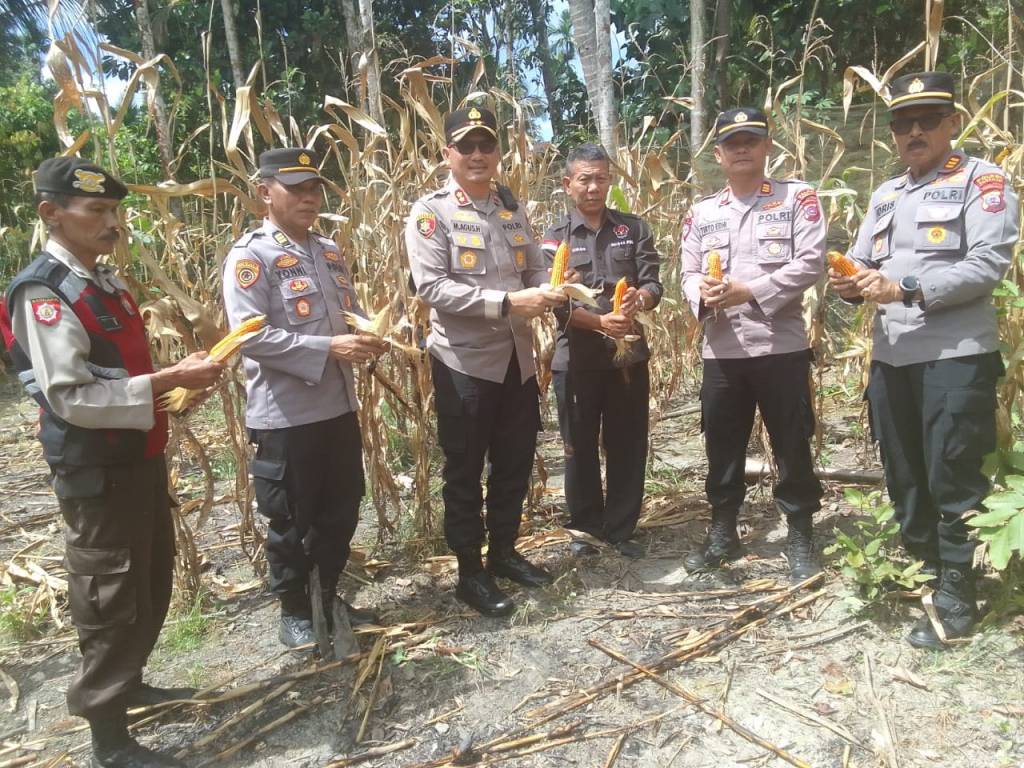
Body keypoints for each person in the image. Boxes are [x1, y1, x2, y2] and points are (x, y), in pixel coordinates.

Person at [2, 157, 223, 767]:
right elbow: (69, 397)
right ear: (52, 214)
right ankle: (108, 738)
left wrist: (177, 390)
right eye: (95, 211)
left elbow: (122, 373)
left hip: (137, 456)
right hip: (95, 469)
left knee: (148, 580)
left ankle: (130, 685)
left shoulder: (103, 282)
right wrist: (165, 380)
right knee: (108, 594)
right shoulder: (43, 292)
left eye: (113, 211)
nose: (111, 223)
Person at [829, 72, 1019, 649]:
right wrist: (848, 284)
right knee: (905, 472)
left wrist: (905, 287)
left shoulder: (981, 181)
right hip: (893, 358)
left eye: (927, 119)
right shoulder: (886, 194)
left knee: (952, 473)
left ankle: (960, 594)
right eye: (903, 123)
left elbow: (988, 263)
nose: (914, 131)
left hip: (954, 357)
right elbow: (861, 260)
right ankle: (927, 573)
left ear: (952, 123)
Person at [405, 106, 568, 617]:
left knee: (514, 461)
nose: (478, 155)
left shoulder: (509, 208)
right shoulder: (431, 214)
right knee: (465, 469)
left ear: (498, 152)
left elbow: (534, 269)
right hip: (465, 364)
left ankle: (503, 552)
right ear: (447, 153)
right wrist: (505, 304)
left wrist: (555, 289)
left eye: (487, 146)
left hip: (517, 361)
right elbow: (431, 288)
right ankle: (469, 572)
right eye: (466, 146)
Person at [222, 148, 387, 649]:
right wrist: (327, 347)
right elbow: (248, 337)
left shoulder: (328, 250)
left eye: (315, 189)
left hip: (338, 406)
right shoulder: (251, 256)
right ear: (264, 192)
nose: (309, 199)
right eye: (296, 189)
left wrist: (370, 334)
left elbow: (349, 314)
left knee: (341, 509)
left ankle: (329, 592)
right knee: (293, 517)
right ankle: (295, 610)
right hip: (286, 416)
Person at [680, 107, 826, 582]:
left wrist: (751, 291)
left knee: (791, 441)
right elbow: (687, 272)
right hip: (722, 351)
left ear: (767, 146)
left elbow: (810, 261)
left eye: (751, 139)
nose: (741, 148)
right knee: (723, 445)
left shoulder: (796, 198)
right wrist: (700, 294)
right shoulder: (702, 213)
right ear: (718, 153)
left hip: (779, 347)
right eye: (732, 142)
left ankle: (800, 531)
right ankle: (724, 530)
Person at [542, 143, 663, 559]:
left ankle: (622, 528)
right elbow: (555, 303)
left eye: (601, 178)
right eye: (584, 179)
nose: (594, 187)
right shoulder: (553, 239)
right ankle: (585, 530)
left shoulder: (633, 228)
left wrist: (639, 303)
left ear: (610, 180)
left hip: (627, 357)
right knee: (578, 446)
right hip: (575, 359)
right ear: (567, 184)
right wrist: (598, 323)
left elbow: (653, 282)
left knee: (628, 442)